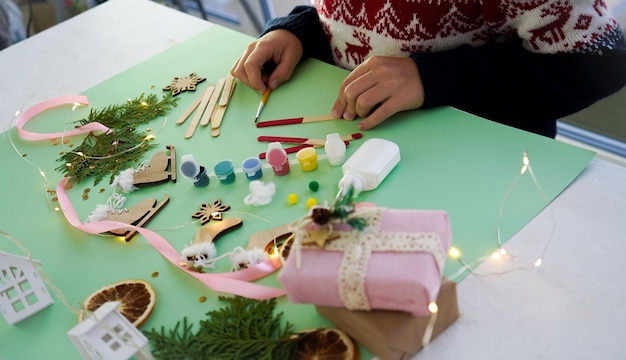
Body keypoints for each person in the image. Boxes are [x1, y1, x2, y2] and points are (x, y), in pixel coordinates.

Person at [231, 0, 626, 138]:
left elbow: (600, 62)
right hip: (370, 147)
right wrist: (300, 31)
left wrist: (434, 77)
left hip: (484, 160)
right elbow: (345, 19)